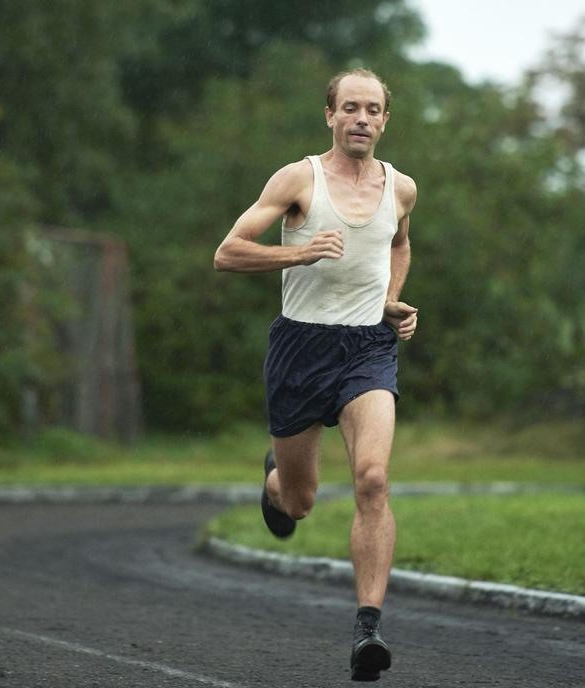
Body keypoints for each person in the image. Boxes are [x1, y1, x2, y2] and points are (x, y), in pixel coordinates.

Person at [213, 68, 417, 681]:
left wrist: (388, 300)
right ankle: (275, 482)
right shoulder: (298, 178)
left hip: (367, 350)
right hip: (300, 349)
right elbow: (227, 252)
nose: (361, 118)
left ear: (385, 120)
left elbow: (399, 244)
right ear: (329, 114)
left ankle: (368, 628)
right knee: (299, 503)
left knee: (374, 479)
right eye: (349, 107)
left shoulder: (401, 188)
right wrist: (298, 250)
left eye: (372, 109)